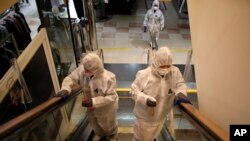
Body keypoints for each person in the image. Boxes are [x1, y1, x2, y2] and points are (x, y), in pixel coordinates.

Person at [130, 47, 191, 141]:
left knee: (153, 136)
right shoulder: (144, 74)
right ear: (156, 63)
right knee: (140, 139)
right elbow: (134, 91)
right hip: (145, 119)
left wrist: (181, 93)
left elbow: (180, 85)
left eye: (168, 66)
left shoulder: (174, 72)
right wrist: (145, 99)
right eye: (162, 66)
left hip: (161, 117)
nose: (166, 69)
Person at [56, 52, 118, 141]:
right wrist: (66, 88)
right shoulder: (83, 69)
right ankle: (100, 135)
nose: (85, 72)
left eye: (88, 70)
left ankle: (112, 137)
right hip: (90, 108)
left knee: (108, 125)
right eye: (85, 69)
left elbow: (112, 97)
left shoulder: (109, 78)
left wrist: (93, 102)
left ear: (96, 70)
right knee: (94, 124)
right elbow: (71, 78)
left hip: (106, 109)